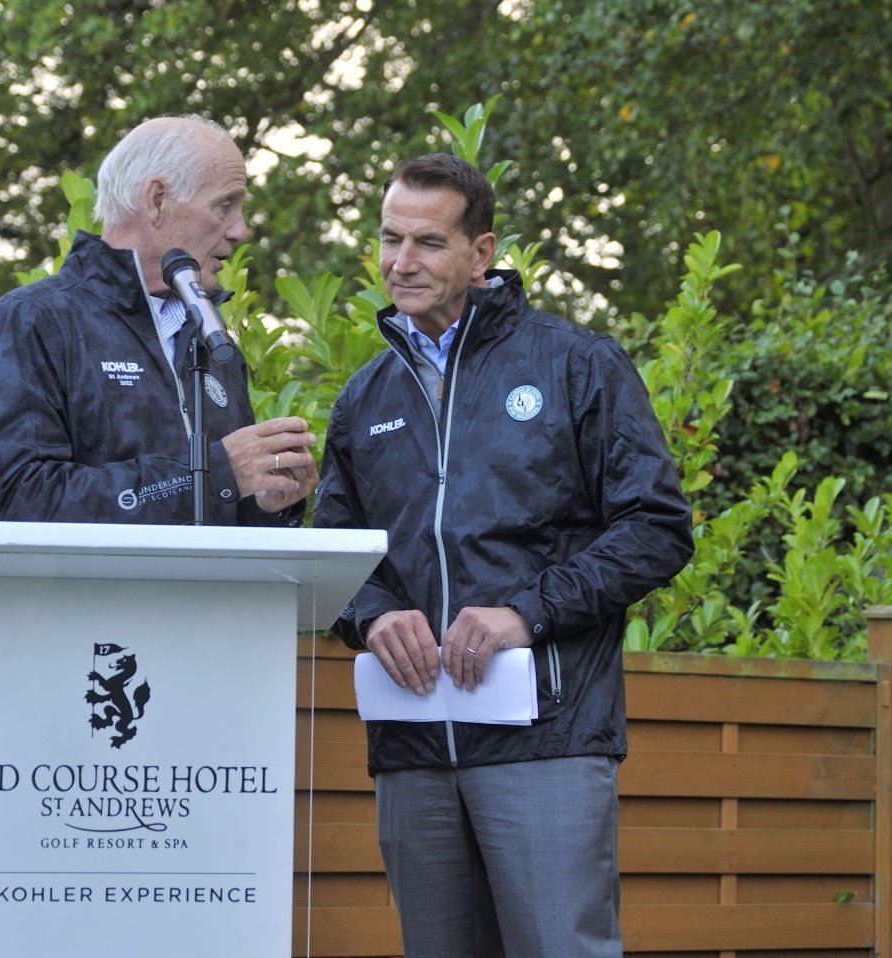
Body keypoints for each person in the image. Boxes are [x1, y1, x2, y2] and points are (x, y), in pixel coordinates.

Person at [312, 154, 694, 957]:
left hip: (545, 738)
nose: (401, 262)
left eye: (427, 242)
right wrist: (373, 615)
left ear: (482, 252)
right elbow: (337, 557)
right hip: (414, 745)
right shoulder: (364, 397)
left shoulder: (576, 365)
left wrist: (528, 611)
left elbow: (656, 527)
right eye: (389, 239)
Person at [0, 114, 317, 524]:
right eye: (225, 205)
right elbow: (19, 502)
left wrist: (267, 500)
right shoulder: (32, 322)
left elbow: (226, 525)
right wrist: (214, 472)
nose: (241, 230)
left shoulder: (212, 341)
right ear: (157, 200)